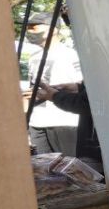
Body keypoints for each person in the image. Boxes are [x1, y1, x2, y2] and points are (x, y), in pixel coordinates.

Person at [24, 12, 82, 156]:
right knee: (45, 171)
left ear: (54, 29)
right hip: (37, 122)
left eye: (34, 27)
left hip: (63, 121)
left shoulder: (70, 54)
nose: (29, 31)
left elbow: (82, 87)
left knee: (70, 169)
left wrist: (56, 91)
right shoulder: (33, 57)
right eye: (28, 27)